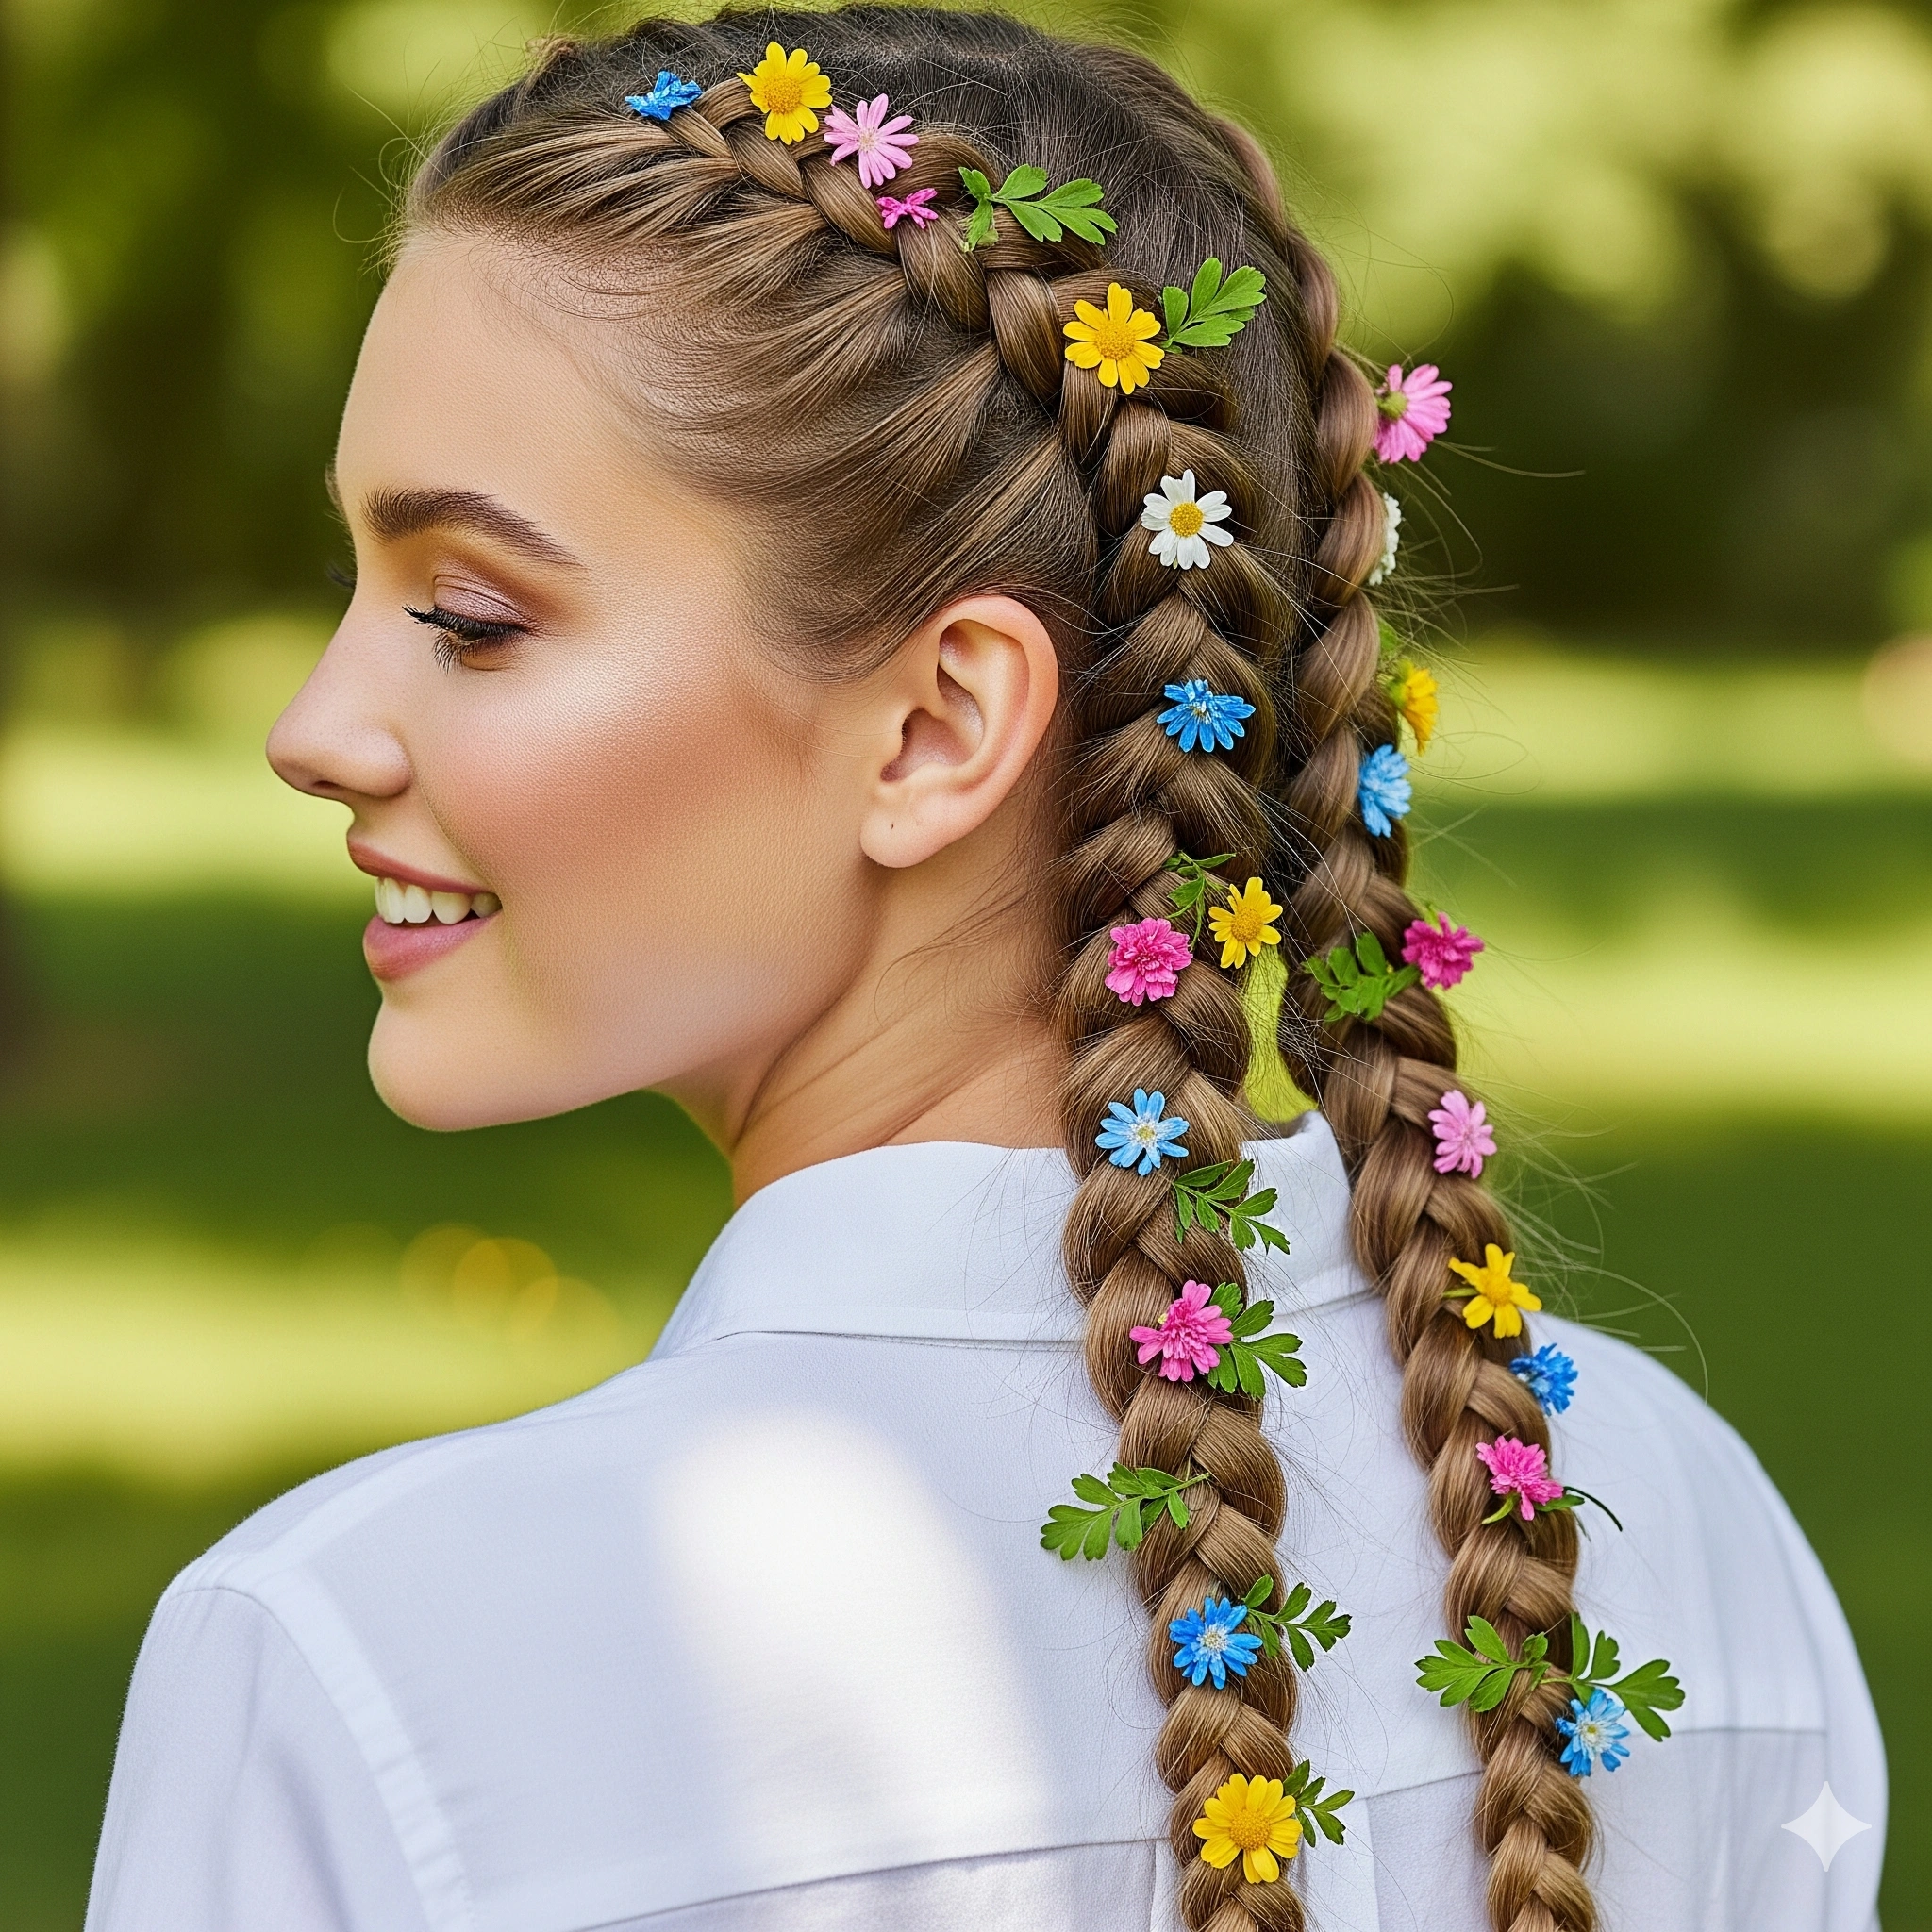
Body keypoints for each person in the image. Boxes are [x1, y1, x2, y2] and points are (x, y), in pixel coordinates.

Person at [85, 11, 1886, 1931]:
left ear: (939, 726)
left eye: (468, 615)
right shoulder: (1641, 1518)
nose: (311, 726)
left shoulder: (374, 1665)